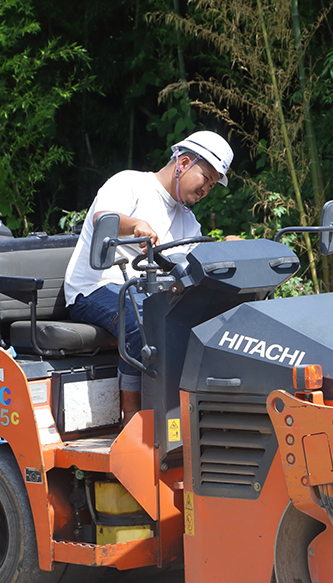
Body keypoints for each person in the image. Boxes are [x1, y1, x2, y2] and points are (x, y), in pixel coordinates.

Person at [64, 130, 234, 425]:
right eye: (205, 178)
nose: (207, 188)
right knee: (145, 323)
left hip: (147, 294)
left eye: (212, 184)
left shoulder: (188, 221)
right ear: (182, 162)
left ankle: (188, 416)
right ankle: (131, 418)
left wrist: (226, 252)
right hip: (95, 287)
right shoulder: (130, 183)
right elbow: (102, 218)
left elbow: (191, 266)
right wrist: (135, 226)